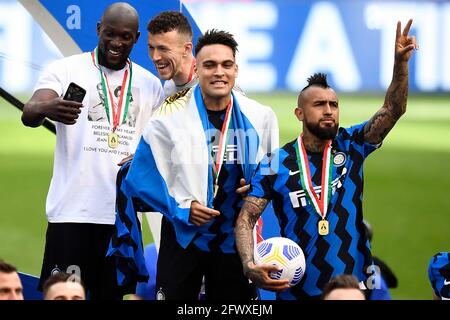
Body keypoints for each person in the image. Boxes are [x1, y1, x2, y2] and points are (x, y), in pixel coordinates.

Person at [235, 19, 418, 299]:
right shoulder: (277, 162)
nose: (329, 110)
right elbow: (247, 218)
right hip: (297, 288)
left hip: (354, 284)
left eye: (334, 104)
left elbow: (393, 109)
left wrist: (400, 65)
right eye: (319, 105)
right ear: (299, 113)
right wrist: (249, 265)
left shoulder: (352, 144)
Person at [108, 29, 279, 300]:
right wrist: (181, 209)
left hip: (233, 241)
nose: (218, 72)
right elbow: (139, 179)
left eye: (226, 65)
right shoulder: (168, 117)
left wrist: (257, 185)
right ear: (197, 69)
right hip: (182, 238)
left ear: (236, 70)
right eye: (209, 65)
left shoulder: (261, 116)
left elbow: (270, 169)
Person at [21, 2, 164, 300]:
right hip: (71, 212)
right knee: (64, 295)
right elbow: (30, 113)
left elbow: (158, 147)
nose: (116, 43)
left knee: (111, 296)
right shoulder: (64, 69)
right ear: (99, 29)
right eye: (110, 34)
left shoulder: (150, 85)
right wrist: (50, 107)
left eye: (125, 37)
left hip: (120, 220)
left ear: (136, 38)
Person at [147, 10, 197, 97]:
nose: (155, 57)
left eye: (163, 49)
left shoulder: (208, 85)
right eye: (151, 47)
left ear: (186, 49)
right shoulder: (168, 88)